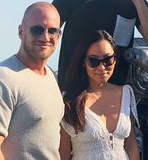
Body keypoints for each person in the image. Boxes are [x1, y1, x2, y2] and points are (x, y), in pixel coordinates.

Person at [0, 2, 64, 160]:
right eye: (37, 30)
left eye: (52, 31)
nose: (45, 37)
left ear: (58, 35)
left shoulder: (51, 76)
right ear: (21, 32)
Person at [59, 30, 140, 160]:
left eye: (108, 60)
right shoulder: (69, 101)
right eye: (93, 61)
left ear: (115, 59)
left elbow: (131, 146)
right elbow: (63, 154)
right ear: (83, 63)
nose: (102, 67)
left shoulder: (125, 94)